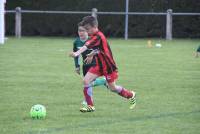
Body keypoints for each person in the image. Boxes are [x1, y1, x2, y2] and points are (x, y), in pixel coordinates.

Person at [69, 16, 136, 112]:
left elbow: (86, 46)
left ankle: (130, 95)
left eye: (87, 29)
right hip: (98, 65)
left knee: (112, 88)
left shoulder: (98, 36)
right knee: (86, 81)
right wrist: (92, 54)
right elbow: (98, 48)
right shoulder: (94, 36)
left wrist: (76, 53)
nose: (86, 32)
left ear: (94, 27)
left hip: (108, 67)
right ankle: (90, 106)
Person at [73, 23, 107, 106]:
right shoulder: (76, 42)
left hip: (95, 63)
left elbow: (100, 50)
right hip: (85, 65)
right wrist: (77, 66)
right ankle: (103, 81)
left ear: (87, 31)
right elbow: (76, 55)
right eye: (79, 30)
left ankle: (88, 101)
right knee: (88, 83)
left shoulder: (92, 40)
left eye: (83, 31)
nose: (80, 32)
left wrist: (92, 54)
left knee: (87, 82)